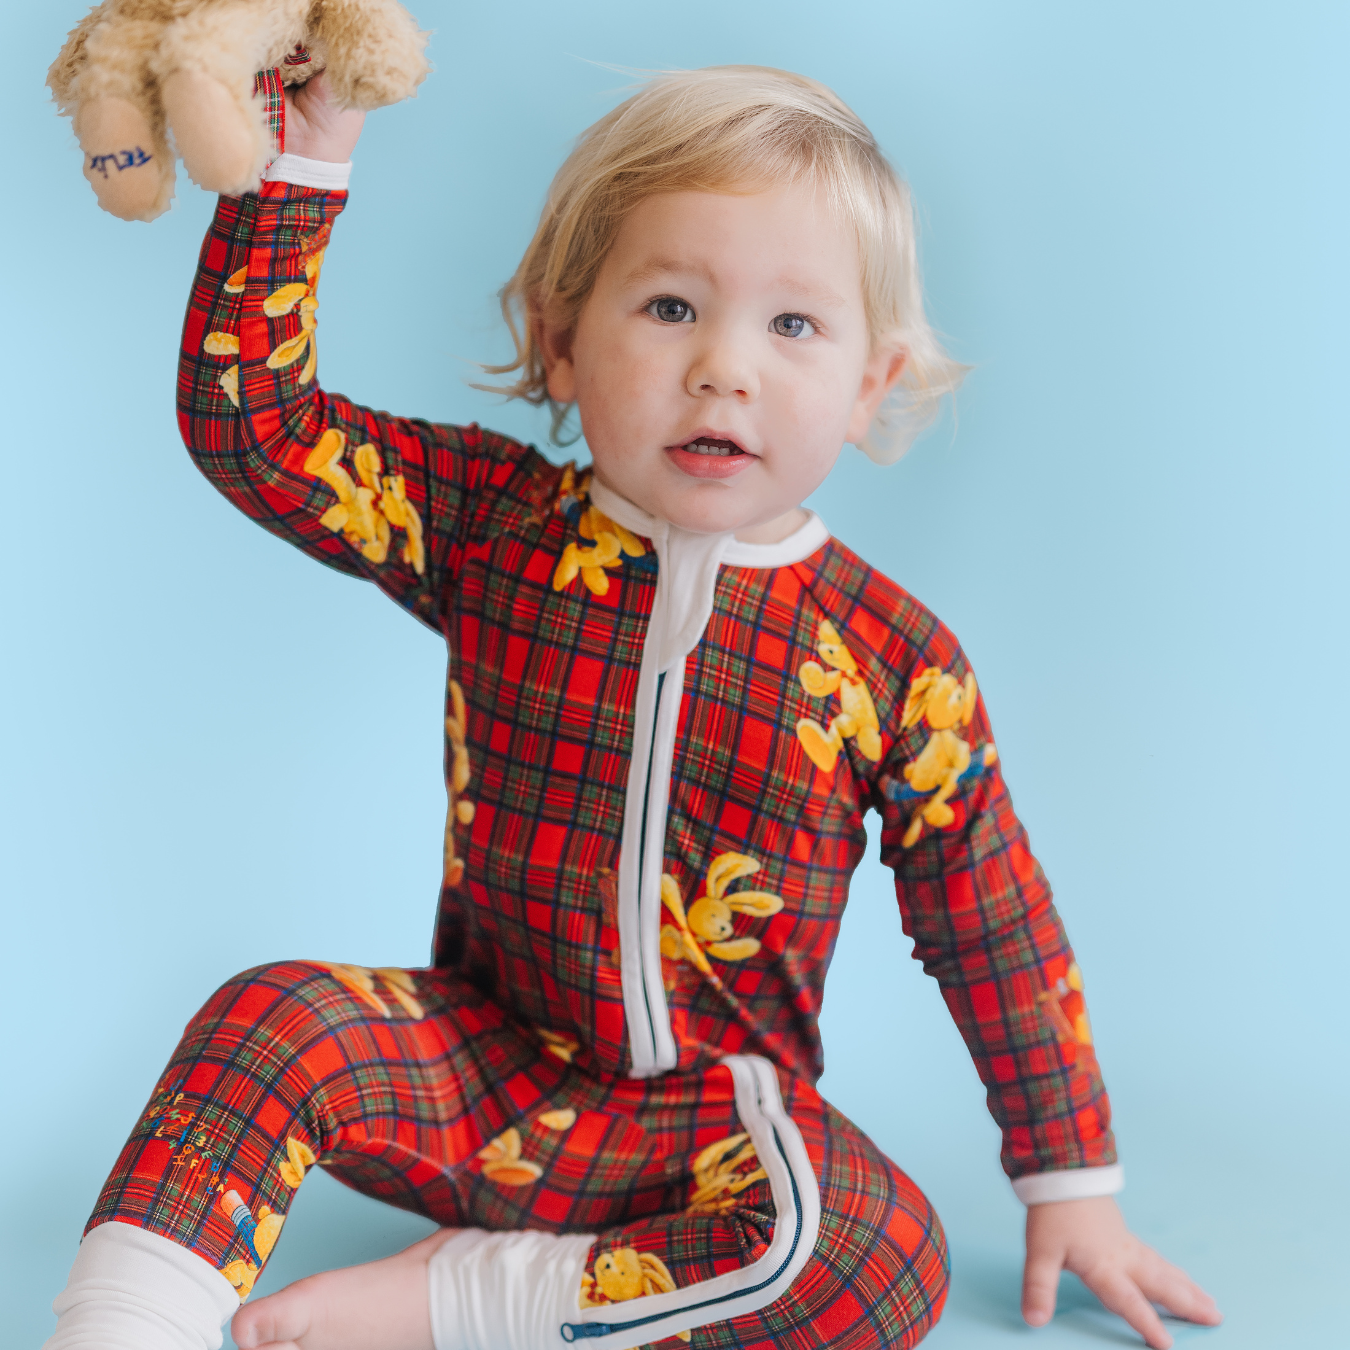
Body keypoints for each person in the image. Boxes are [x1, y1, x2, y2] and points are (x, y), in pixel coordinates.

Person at [45, 59, 1222, 1350]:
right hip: (470, 1079)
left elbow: (989, 916)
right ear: (560, 341)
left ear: (870, 383)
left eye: (793, 326)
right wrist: (301, 165)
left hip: (709, 1132)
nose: (724, 369)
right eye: (670, 306)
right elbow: (253, 431)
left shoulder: (893, 658)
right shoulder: (490, 525)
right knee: (266, 1021)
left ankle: (462, 1299)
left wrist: (1071, 1183)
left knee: (881, 1255)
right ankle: (120, 1326)